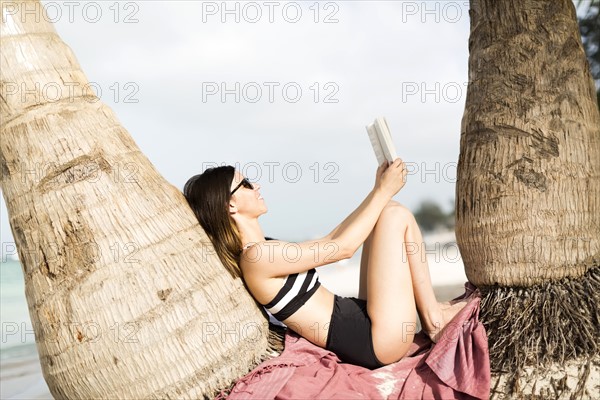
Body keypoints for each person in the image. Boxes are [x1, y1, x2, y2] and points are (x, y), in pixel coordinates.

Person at [183, 160, 469, 370]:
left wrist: (377, 191)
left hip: (364, 324)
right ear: (229, 205)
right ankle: (433, 318)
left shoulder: (264, 248)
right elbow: (343, 249)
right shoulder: (256, 258)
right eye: (245, 184)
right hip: (372, 341)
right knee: (395, 215)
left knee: (386, 211)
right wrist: (383, 191)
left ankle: (432, 313)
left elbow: (333, 238)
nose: (256, 185)